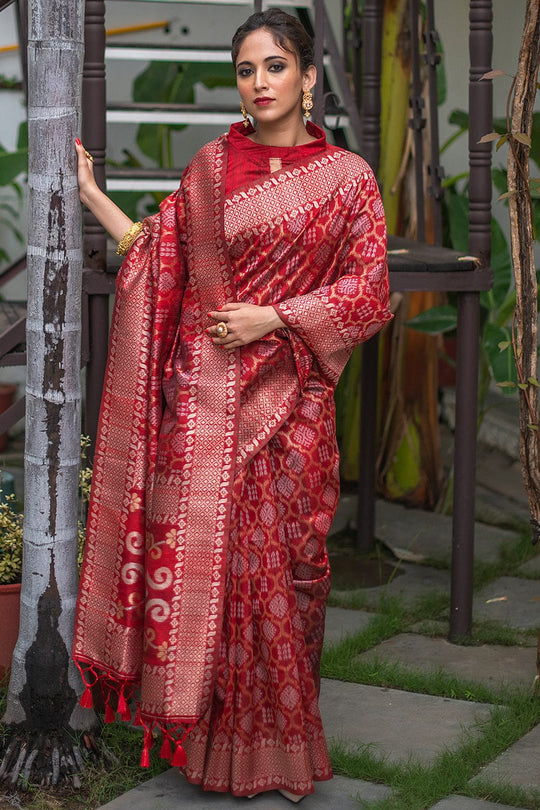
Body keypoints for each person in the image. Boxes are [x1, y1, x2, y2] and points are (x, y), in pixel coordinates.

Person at [72, 7, 392, 803]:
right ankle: (214, 750)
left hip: (293, 411)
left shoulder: (349, 180)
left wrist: (274, 317)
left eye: (275, 67)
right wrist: (92, 197)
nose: (259, 84)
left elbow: (368, 288)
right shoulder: (212, 170)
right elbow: (159, 258)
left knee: (288, 573)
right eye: (246, 70)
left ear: (309, 76)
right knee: (217, 580)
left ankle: (282, 748)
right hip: (210, 408)